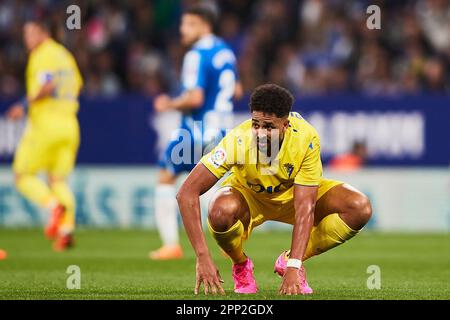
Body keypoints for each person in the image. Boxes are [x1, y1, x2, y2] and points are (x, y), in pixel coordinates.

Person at [176, 84, 372, 295]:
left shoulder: (306, 138)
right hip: (249, 197)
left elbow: (306, 207)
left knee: (359, 207)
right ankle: (241, 264)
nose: (260, 133)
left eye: (268, 127)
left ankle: (288, 259)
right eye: (256, 124)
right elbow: (186, 193)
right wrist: (203, 257)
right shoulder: (237, 140)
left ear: (285, 125)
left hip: (293, 196)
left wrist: (294, 265)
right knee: (220, 211)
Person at [150, 4, 241, 260]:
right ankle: (228, 242)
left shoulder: (196, 55)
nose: (182, 29)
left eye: (189, 24)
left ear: (204, 25)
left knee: (167, 178)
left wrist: (169, 103)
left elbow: (195, 98)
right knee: (210, 185)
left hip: (196, 131)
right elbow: (237, 90)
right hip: (221, 129)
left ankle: (171, 245)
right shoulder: (226, 51)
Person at [6, 19, 83, 251]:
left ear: (42, 33)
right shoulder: (65, 56)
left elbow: (47, 86)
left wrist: (23, 104)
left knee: (22, 176)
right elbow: (78, 85)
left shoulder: (42, 54)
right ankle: (66, 230)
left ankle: (52, 207)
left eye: (30, 33)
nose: (27, 39)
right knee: (58, 180)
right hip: (69, 125)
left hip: (45, 125)